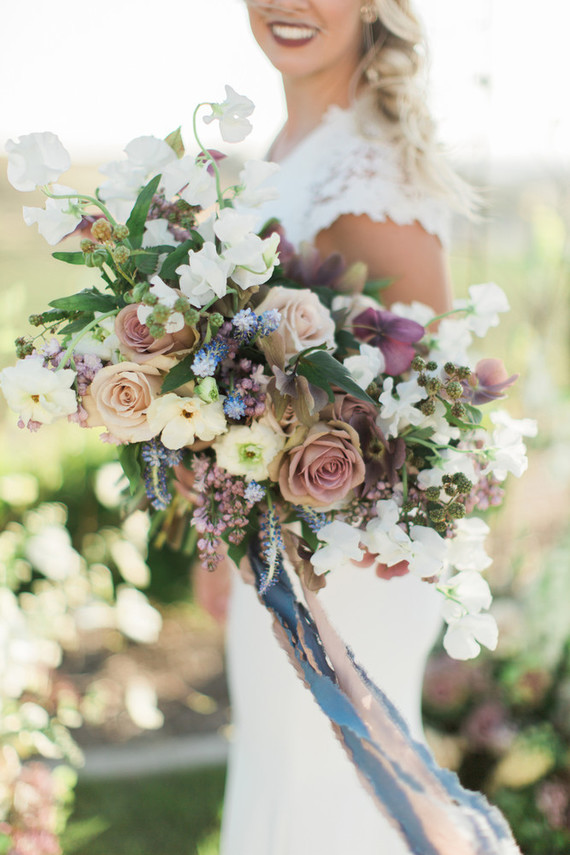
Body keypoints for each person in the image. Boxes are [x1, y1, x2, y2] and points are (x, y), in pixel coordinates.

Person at [195, 1, 474, 852]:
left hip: (347, 566)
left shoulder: (369, 172)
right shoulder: (286, 152)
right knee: (286, 784)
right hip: (276, 544)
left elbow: (427, 416)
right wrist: (214, 530)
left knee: (336, 808)